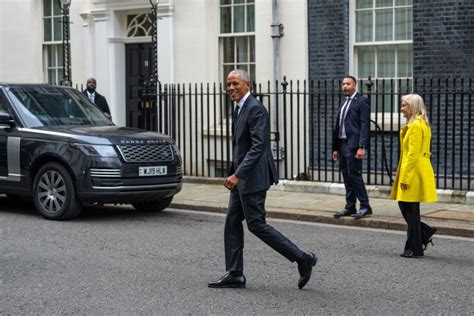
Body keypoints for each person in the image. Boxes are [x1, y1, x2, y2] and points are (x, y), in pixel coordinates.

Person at [208, 69, 317, 289]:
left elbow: (258, 147)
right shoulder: (240, 108)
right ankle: (235, 273)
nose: (230, 88)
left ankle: (302, 258)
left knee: (256, 225)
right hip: (242, 178)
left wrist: (238, 175)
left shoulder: (256, 109)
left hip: (252, 178)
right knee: (231, 222)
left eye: (235, 84)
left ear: (248, 85)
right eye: (228, 84)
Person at [390, 94, 437, 258]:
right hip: (416, 170)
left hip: (413, 171)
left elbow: (412, 155)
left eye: (404, 105)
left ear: (413, 107)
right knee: (411, 209)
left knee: (408, 207)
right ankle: (421, 237)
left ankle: (415, 247)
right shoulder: (419, 123)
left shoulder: (416, 126)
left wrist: (405, 179)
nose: (401, 108)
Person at [332, 76, 373, 219]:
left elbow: (364, 126)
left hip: (353, 145)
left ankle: (365, 206)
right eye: (343, 84)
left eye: (348, 84)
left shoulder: (361, 102)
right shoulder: (345, 102)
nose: (345, 86)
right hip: (342, 144)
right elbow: (339, 126)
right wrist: (335, 148)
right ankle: (350, 206)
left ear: (355, 85)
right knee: (346, 176)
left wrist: (362, 146)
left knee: (354, 175)